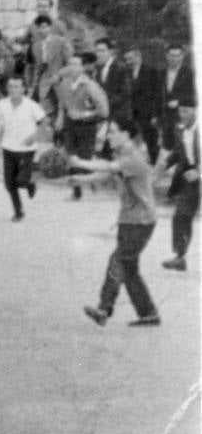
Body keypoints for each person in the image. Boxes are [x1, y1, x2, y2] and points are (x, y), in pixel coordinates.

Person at [77, 121, 161, 328]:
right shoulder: (123, 155)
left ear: (127, 135)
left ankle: (104, 308)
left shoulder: (133, 157)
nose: (108, 137)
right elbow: (107, 173)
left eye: (113, 132)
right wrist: (81, 179)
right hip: (130, 220)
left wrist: (78, 161)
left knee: (118, 260)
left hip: (140, 221)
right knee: (129, 268)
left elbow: (109, 167)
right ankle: (149, 314)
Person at [0, 76, 48, 221]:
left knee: (21, 181)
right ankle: (18, 212)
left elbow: (43, 122)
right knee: (9, 184)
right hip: (8, 147)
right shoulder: (2, 104)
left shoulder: (31, 105)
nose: (13, 90)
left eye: (17, 87)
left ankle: (30, 183)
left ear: (23, 89)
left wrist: (34, 136)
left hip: (26, 149)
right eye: (10, 87)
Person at [55, 53, 109, 200]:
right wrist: (60, 117)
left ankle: (92, 180)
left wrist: (84, 114)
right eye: (70, 64)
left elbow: (104, 110)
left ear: (84, 67)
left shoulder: (90, 85)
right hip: (70, 124)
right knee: (71, 156)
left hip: (87, 126)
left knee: (84, 158)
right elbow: (62, 101)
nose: (73, 67)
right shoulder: (64, 83)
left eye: (76, 64)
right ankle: (76, 192)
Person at [160, 97, 199, 271]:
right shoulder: (181, 129)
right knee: (181, 216)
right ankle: (180, 257)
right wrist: (164, 164)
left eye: (186, 111)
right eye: (180, 111)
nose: (182, 115)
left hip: (198, 173)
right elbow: (178, 151)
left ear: (196, 110)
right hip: (190, 178)